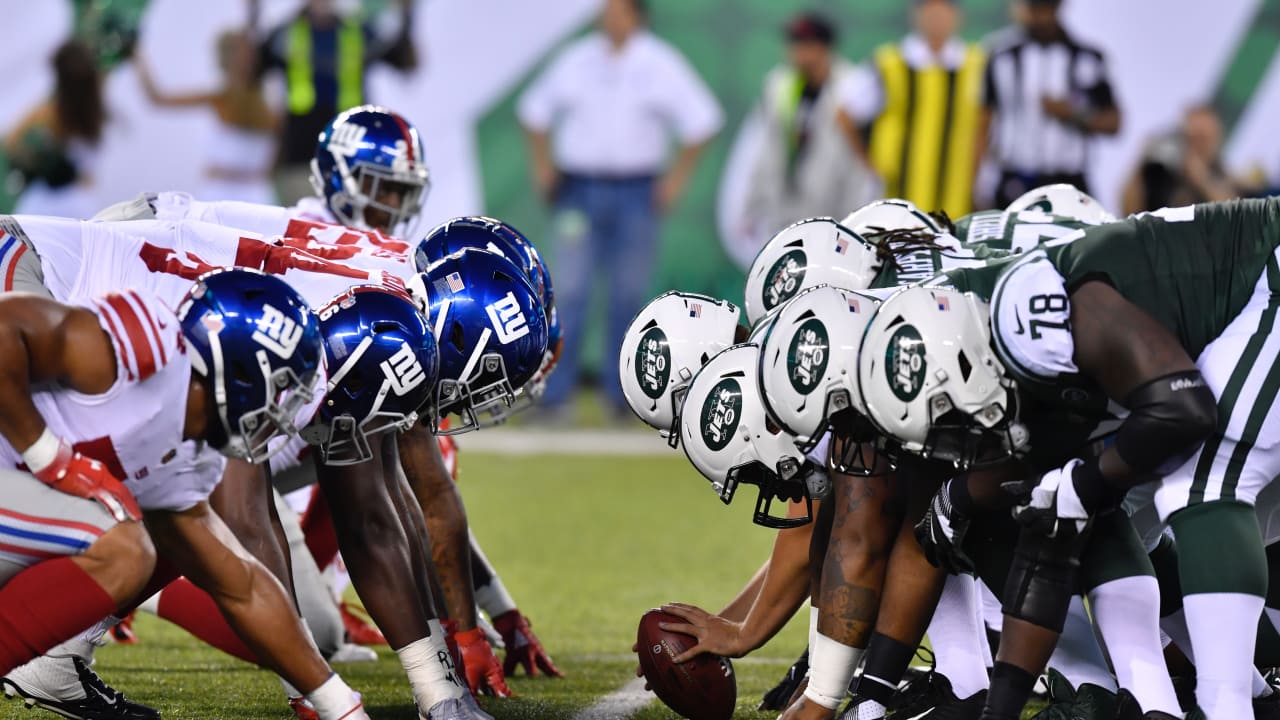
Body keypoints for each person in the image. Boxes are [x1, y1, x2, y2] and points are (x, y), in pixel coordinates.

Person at [871, 198, 1280, 718]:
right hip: (1240, 317)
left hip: (1267, 273)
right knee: (1150, 510)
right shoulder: (1004, 366)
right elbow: (1048, 549)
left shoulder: (1025, 320)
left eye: (952, 424)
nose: (962, 446)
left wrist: (1086, 484)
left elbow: (1184, 409)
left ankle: (1229, 708)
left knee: (1205, 483)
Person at [0, 260, 377, 720]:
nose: (281, 413)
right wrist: (49, 457)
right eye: (280, 389)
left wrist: (340, 705)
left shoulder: (194, 458)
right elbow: (5, 328)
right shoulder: (146, 346)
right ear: (239, 369)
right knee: (124, 546)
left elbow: (242, 585)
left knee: (165, 543)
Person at [517, 0, 723, 421]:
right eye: (605, 8)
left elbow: (702, 120)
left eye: (619, 9)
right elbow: (533, 112)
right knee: (569, 290)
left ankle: (623, 397)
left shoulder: (660, 62)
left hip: (636, 191)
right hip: (578, 188)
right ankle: (555, 397)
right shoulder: (576, 59)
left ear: (637, 15)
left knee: (627, 295)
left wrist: (677, 180)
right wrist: (542, 168)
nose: (609, 16)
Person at [257, 0, 418, 203]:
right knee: (305, 228)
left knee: (352, 229)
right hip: (302, 158)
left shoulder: (357, 32)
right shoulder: (285, 34)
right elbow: (251, 71)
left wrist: (407, 15)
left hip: (352, 158)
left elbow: (404, 62)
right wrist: (252, 16)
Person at [839, 0, 986, 218]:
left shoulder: (977, 63)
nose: (937, 18)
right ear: (916, 15)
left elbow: (988, 123)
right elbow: (845, 113)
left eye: (943, 10)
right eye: (930, 11)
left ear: (957, 16)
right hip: (899, 190)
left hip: (958, 192)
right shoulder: (889, 62)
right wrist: (870, 164)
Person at [741, 12, 877, 245]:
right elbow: (766, 148)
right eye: (793, 43)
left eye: (805, 44)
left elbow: (863, 158)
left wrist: (857, 216)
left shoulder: (853, 89)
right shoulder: (779, 85)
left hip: (837, 211)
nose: (797, 52)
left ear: (824, 47)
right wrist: (753, 204)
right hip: (785, 210)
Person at [977, 0, 1121, 207]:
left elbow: (1114, 122)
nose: (1040, 16)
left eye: (1046, 8)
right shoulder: (1001, 56)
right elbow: (983, 123)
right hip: (1015, 179)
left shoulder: (1087, 58)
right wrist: (974, 184)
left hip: (1069, 181)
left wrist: (1072, 113)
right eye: (1033, 8)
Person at [135, 26, 278, 204]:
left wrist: (137, 56)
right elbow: (158, 99)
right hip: (225, 193)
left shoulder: (267, 106)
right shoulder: (222, 99)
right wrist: (137, 57)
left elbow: (158, 99)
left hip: (251, 193)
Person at [6, 39, 106, 220]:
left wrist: (34, 161)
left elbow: (11, 140)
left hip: (47, 204)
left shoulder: (50, 113)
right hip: (82, 203)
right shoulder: (99, 114)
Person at [1121, 105, 1243, 215]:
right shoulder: (1165, 171)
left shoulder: (1222, 175)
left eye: (1202, 139)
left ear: (1216, 140)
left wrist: (1201, 181)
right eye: (1192, 138)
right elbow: (1128, 210)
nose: (1197, 146)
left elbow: (1232, 214)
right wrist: (1142, 166)